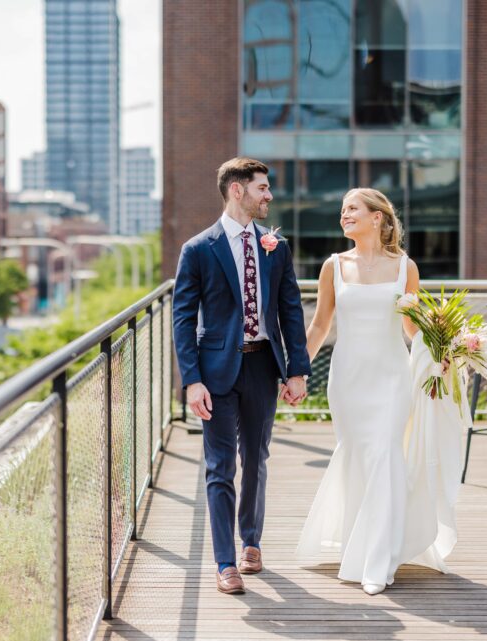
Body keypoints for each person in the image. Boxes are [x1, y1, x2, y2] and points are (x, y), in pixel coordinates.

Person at [172, 157, 311, 595]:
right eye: (262, 188)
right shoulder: (198, 249)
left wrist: (298, 370)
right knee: (219, 466)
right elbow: (181, 317)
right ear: (237, 190)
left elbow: (290, 310)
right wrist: (191, 378)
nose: (269, 195)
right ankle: (225, 562)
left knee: (256, 458)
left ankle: (251, 542)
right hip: (214, 372)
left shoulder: (276, 247)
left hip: (262, 364)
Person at [293, 187, 435, 595]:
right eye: (342, 210)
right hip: (348, 379)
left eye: (352, 208)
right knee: (358, 457)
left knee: (386, 454)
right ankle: (361, 541)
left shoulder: (405, 267)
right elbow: (320, 325)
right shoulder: (332, 266)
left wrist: (440, 351)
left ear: (378, 217)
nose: (344, 215)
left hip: (392, 377)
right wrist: (297, 371)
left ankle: (376, 560)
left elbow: (411, 329)